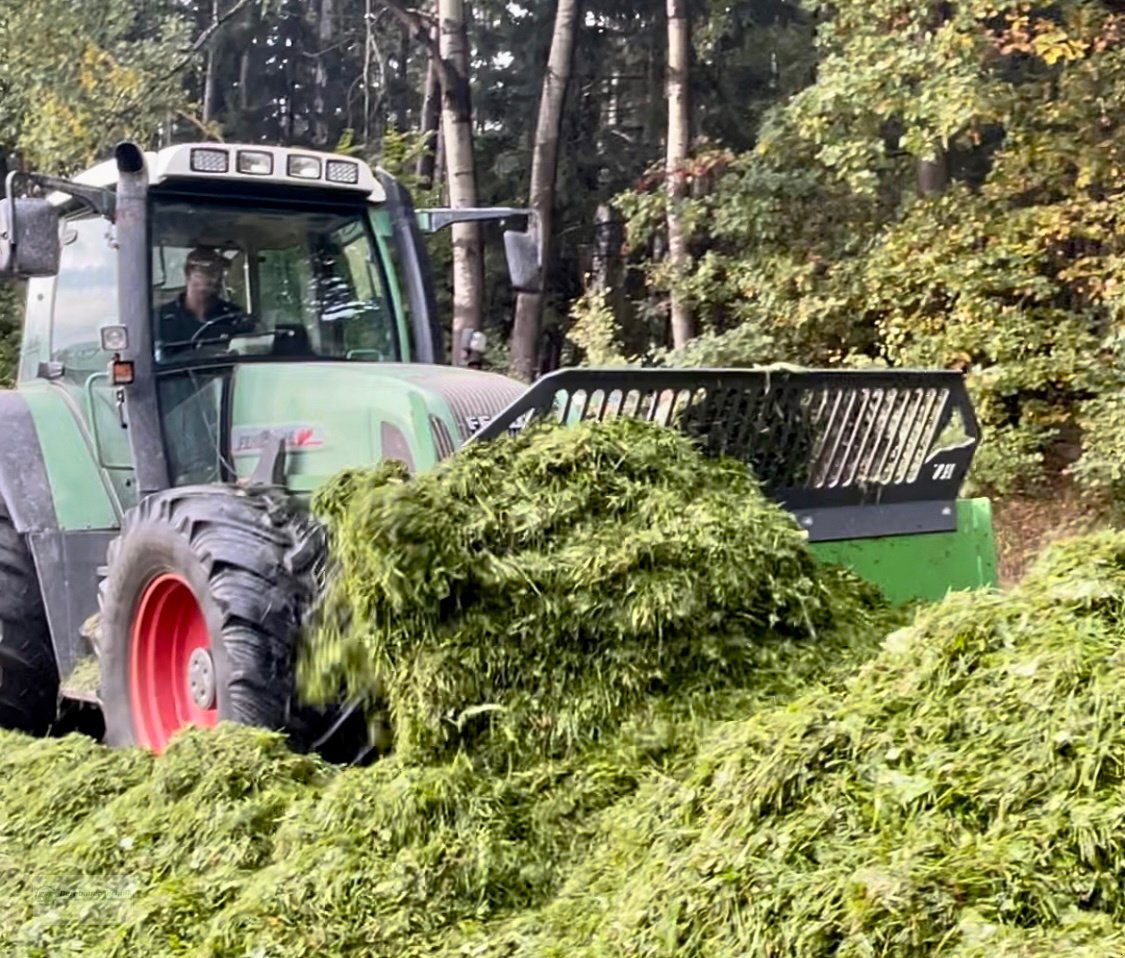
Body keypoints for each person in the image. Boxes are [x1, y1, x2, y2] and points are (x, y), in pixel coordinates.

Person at [156, 245, 253, 351]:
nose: (216, 278)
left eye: (220, 272)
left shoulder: (234, 317)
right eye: (208, 271)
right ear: (188, 273)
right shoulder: (160, 319)